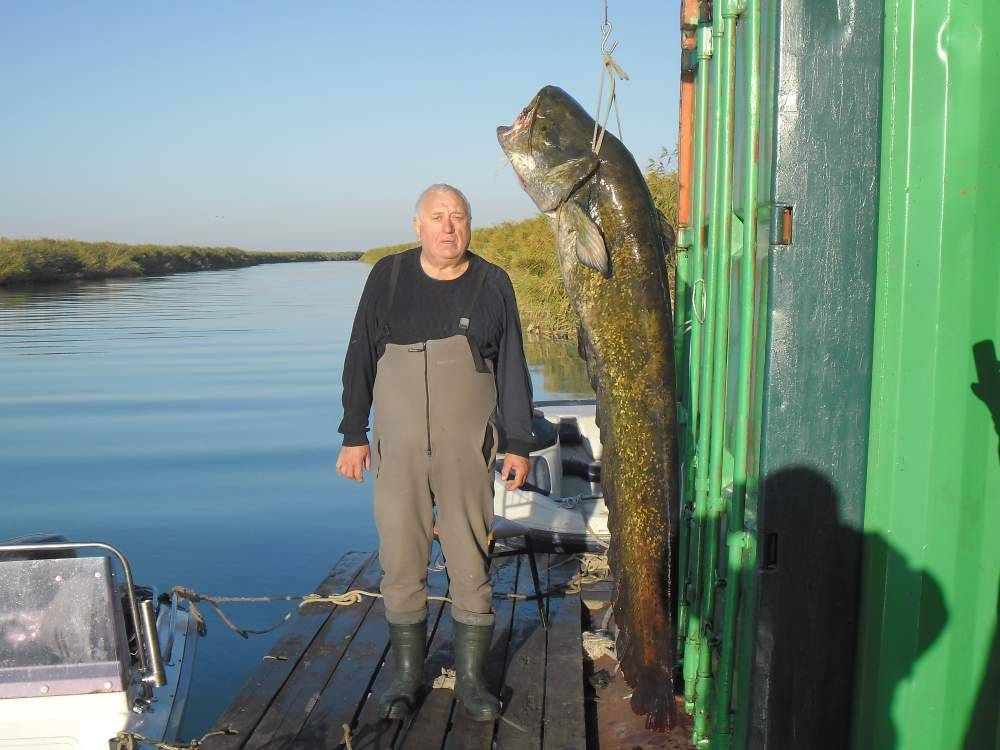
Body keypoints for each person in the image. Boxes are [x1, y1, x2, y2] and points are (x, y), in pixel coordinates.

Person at [335, 184, 534, 722]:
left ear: (470, 225)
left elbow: (513, 366)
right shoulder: (388, 276)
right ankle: (405, 678)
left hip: (465, 446)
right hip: (396, 447)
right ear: (418, 226)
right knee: (401, 558)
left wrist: (518, 442)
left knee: (470, 556)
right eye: (438, 217)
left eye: (460, 217)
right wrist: (353, 433)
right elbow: (360, 356)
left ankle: (472, 681)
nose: (450, 227)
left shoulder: (493, 282)